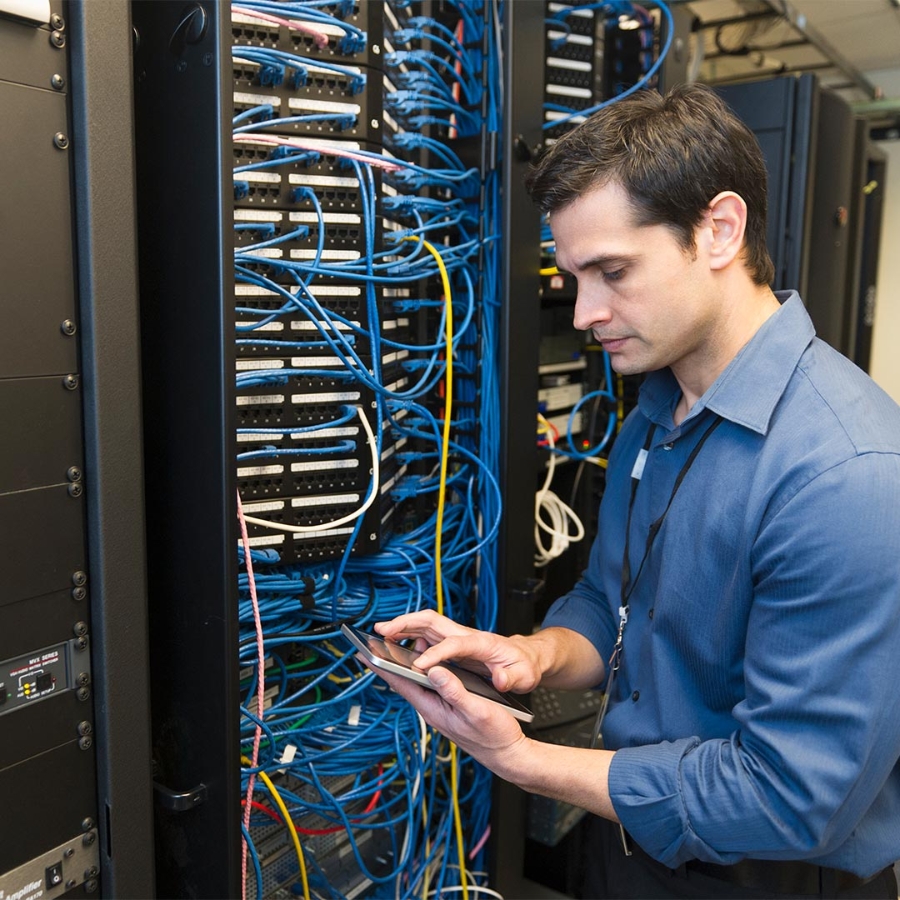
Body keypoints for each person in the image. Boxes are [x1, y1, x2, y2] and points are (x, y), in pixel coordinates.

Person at [370, 83, 900, 899]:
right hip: (629, 839)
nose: (584, 312)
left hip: (765, 875)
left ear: (719, 230)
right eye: (574, 276)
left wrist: (523, 759)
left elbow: (792, 799)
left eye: (612, 272)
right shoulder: (659, 411)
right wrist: (529, 658)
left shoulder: (846, 472)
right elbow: (608, 602)